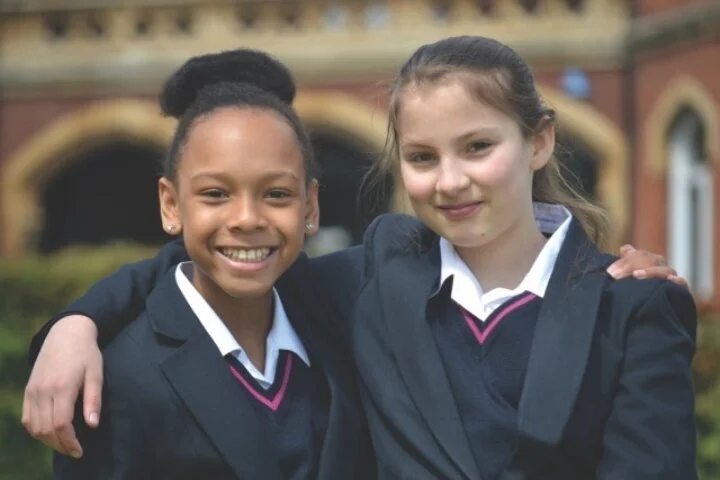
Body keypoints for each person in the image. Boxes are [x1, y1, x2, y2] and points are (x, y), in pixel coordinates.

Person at [25, 37, 695, 479]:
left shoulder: (628, 303)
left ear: (540, 141)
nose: (451, 180)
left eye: (478, 148)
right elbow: (228, 259)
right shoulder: (379, 275)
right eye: (422, 157)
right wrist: (77, 323)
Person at [50, 49, 373, 479]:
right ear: (171, 204)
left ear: (310, 206)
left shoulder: (341, 322)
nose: (246, 219)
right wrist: (73, 323)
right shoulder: (116, 379)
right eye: (215, 194)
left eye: (277, 194)